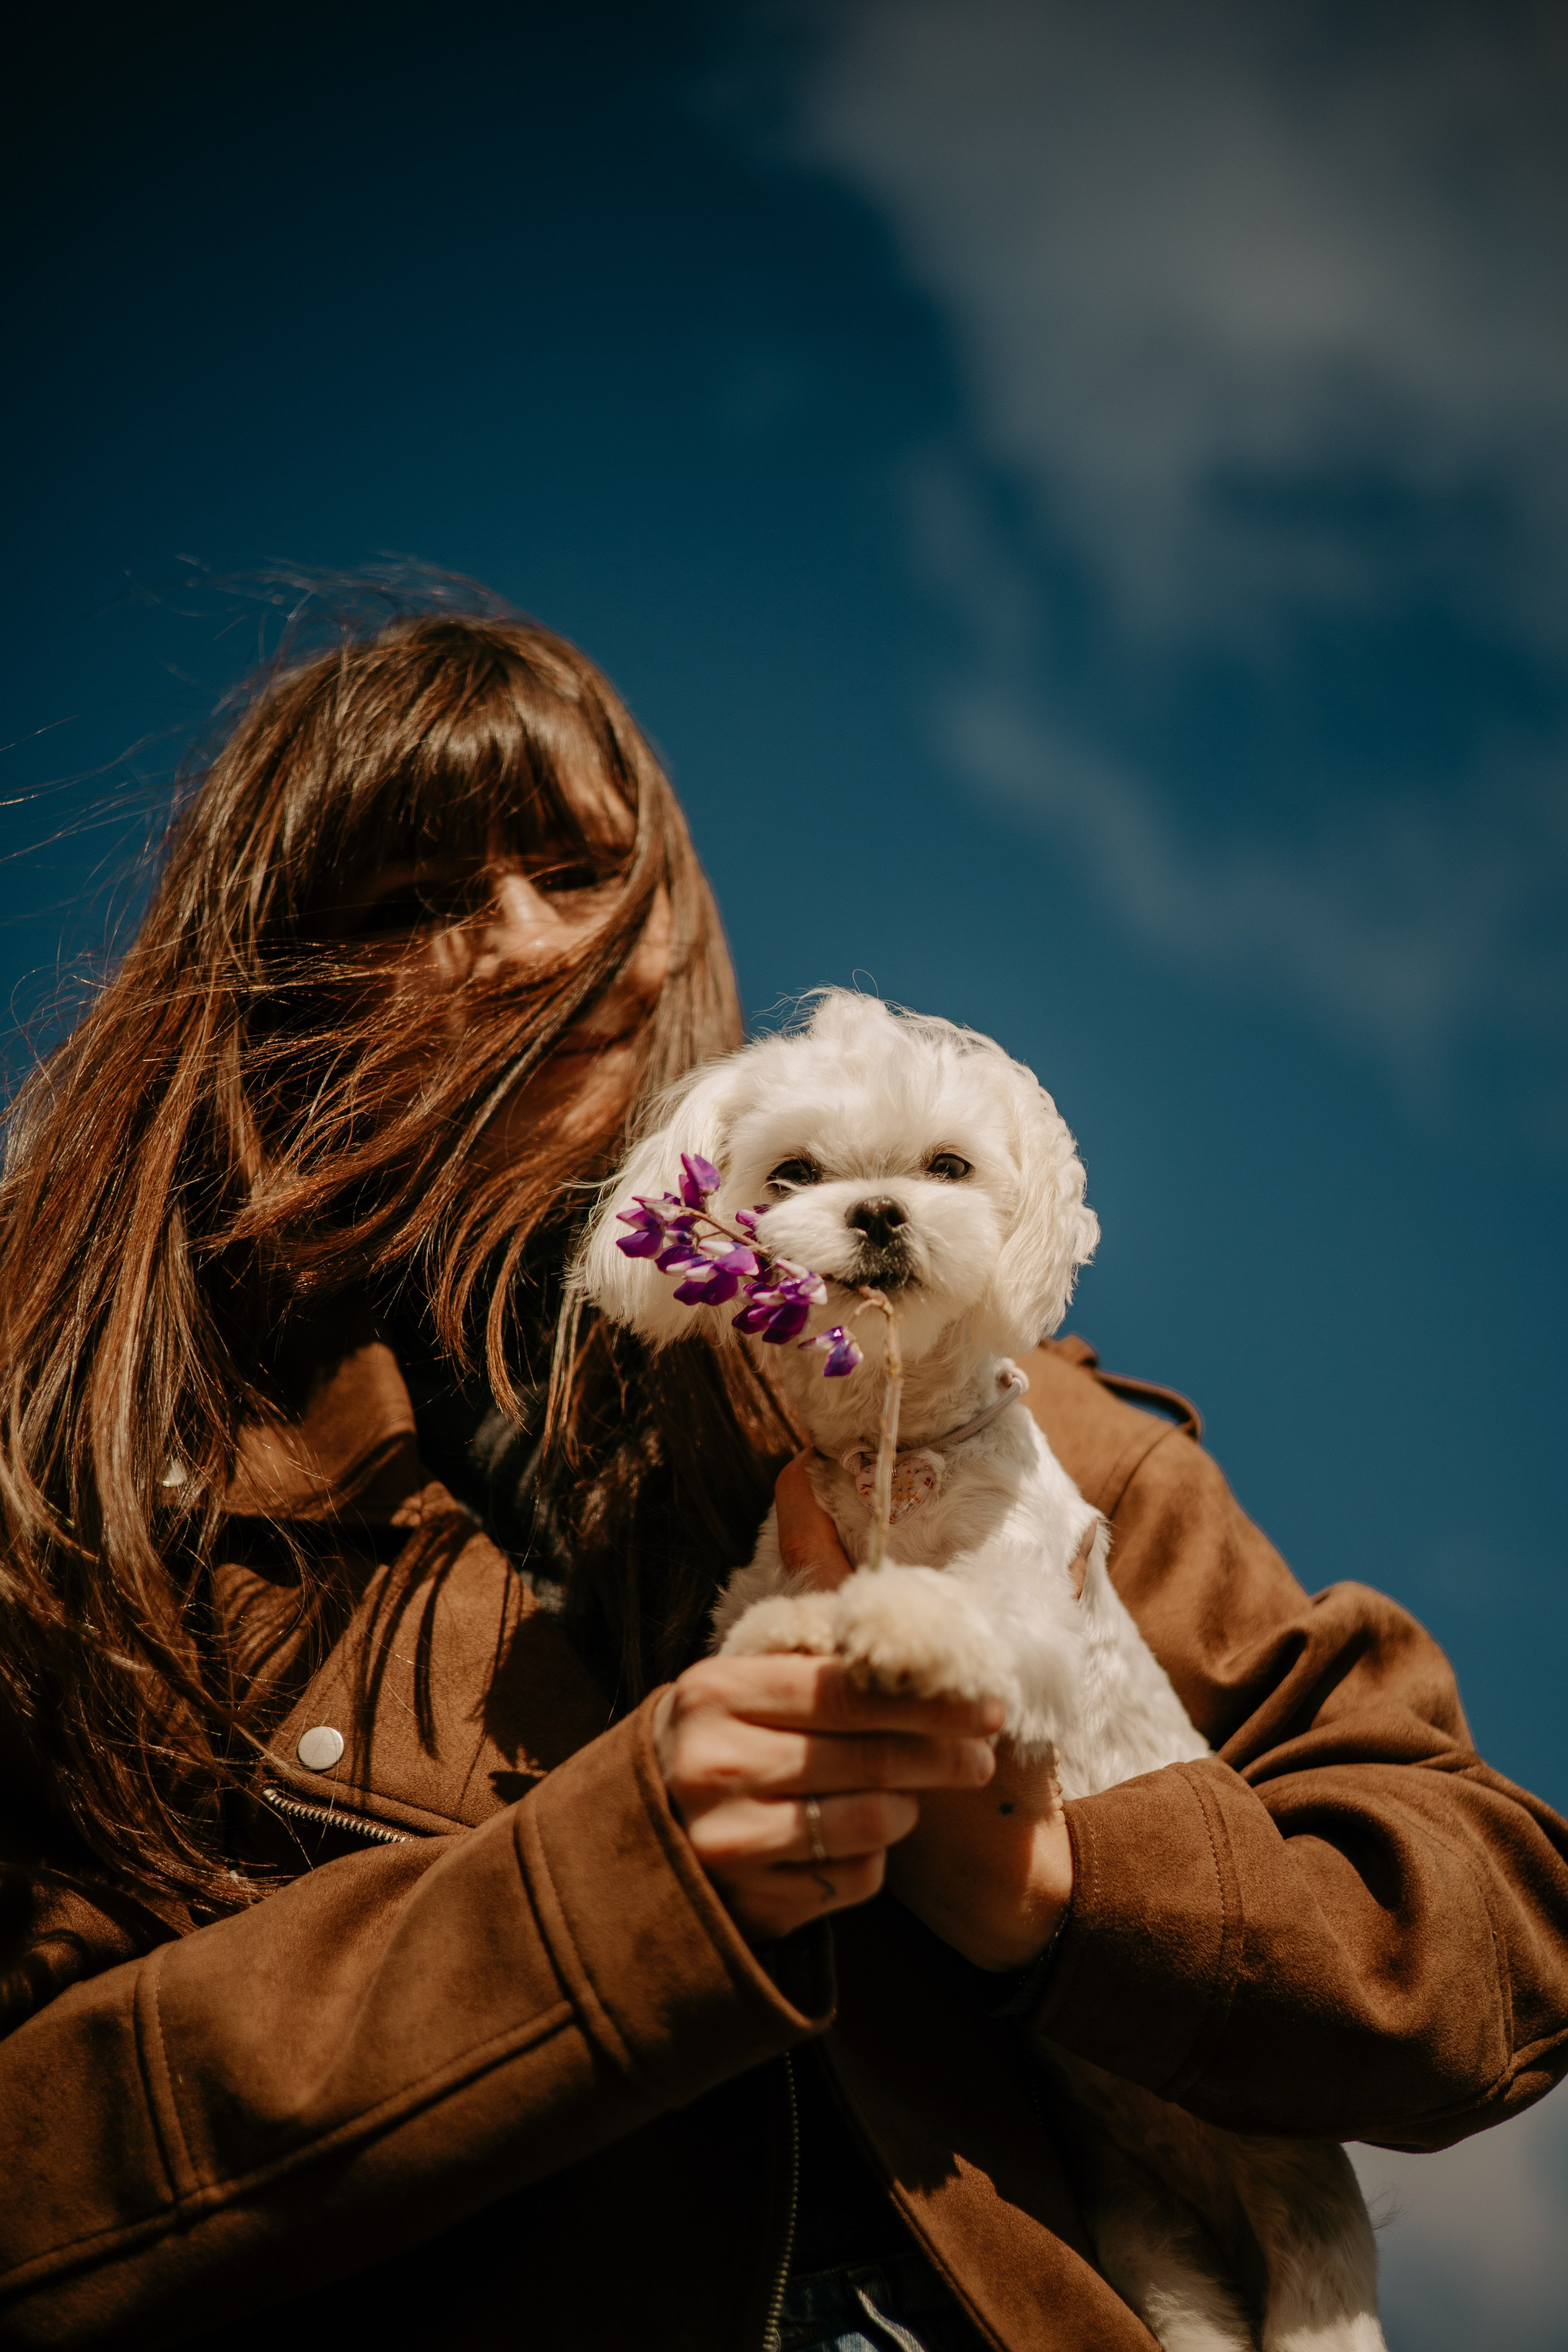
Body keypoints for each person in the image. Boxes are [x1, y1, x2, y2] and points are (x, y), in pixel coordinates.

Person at [0, 600, 1562, 2352]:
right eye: (415, 903)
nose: (519, 945)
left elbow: (1489, 1915)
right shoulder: (104, 1506)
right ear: (276, 978)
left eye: (575, 872)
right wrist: (602, 1898)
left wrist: (1054, 1895)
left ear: (668, 928)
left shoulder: (1030, 1427)